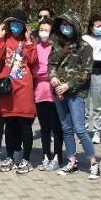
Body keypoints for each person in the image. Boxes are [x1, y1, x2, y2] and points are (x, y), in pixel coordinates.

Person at [49, 11, 101, 180]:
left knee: (80, 129)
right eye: (62, 25)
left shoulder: (84, 47)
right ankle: (72, 161)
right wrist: (53, 77)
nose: (64, 28)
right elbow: (51, 63)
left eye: (68, 25)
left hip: (76, 92)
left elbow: (86, 72)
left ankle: (93, 163)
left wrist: (68, 85)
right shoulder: (57, 44)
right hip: (58, 91)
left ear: (75, 27)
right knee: (66, 128)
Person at [0, 10, 39, 173]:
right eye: (12, 24)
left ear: (24, 26)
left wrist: (29, 41)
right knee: (10, 125)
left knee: (25, 125)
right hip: (7, 89)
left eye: (18, 24)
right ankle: (10, 157)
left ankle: (26, 159)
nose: (15, 27)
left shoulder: (28, 41)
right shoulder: (4, 40)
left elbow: (32, 60)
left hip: (24, 89)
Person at [32, 18, 64, 171]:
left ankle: (57, 156)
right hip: (39, 92)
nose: (43, 33)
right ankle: (46, 156)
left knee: (56, 127)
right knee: (44, 127)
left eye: (47, 30)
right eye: (41, 29)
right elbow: (33, 69)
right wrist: (42, 74)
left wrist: (45, 74)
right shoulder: (35, 47)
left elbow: (58, 70)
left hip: (54, 92)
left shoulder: (57, 48)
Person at [82, 14, 101, 144]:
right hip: (85, 74)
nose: (100, 28)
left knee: (98, 105)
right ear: (91, 27)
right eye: (98, 26)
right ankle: (84, 132)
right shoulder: (85, 38)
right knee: (84, 105)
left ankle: (97, 131)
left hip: (99, 73)